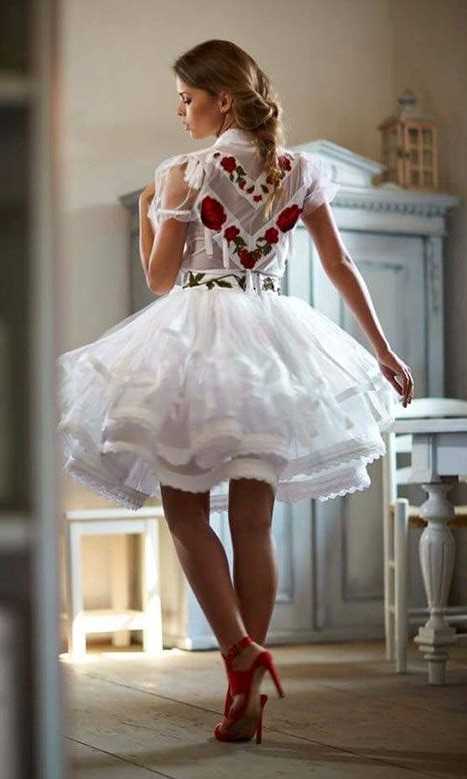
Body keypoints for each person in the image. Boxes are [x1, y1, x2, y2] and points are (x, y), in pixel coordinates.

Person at [57, 39, 414, 744]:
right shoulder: (301, 170)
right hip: (273, 341)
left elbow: (161, 280)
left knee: (185, 511)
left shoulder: (182, 173)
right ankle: (246, 695)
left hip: (194, 341)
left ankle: (240, 656)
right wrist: (381, 348)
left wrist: (154, 214)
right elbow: (339, 263)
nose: (180, 112)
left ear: (222, 98)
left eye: (187, 98)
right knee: (254, 521)